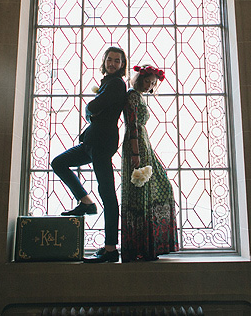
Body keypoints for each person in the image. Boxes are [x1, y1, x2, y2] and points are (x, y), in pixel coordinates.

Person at [51, 46, 127, 263]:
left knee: (108, 195)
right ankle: (86, 202)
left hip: (101, 144)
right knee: (59, 163)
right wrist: (90, 110)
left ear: (122, 65)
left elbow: (94, 106)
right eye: (109, 60)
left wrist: (89, 109)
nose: (112, 63)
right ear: (104, 61)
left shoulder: (115, 84)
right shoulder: (107, 83)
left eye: (117, 61)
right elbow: (94, 109)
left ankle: (111, 249)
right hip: (92, 143)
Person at [121, 64, 179, 262]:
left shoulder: (138, 96)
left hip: (142, 144)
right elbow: (133, 124)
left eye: (153, 83)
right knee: (140, 192)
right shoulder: (132, 96)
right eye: (147, 81)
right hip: (136, 144)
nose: (150, 86)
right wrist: (135, 153)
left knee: (152, 188)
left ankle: (148, 245)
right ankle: (140, 247)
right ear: (139, 79)